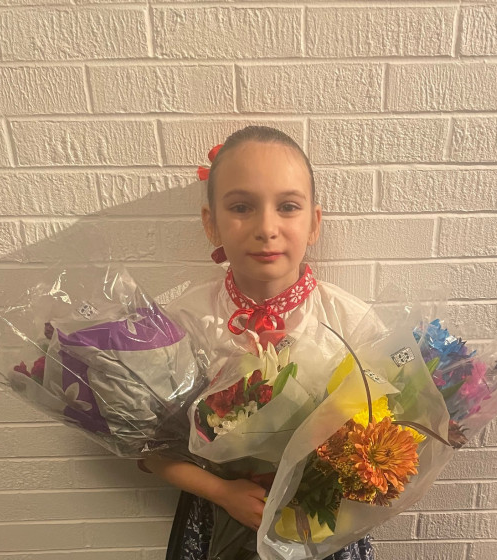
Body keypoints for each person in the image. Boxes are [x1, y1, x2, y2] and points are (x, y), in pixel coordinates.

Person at [142, 126, 375, 560]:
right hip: (217, 520)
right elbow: (150, 448)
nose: (267, 228)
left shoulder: (349, 321)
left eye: (287, 207)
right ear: (211, 223)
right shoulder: (185, 322)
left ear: (314, 223)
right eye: (241, 207)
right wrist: (222, 491)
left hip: (320, 524)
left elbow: (387, 438)